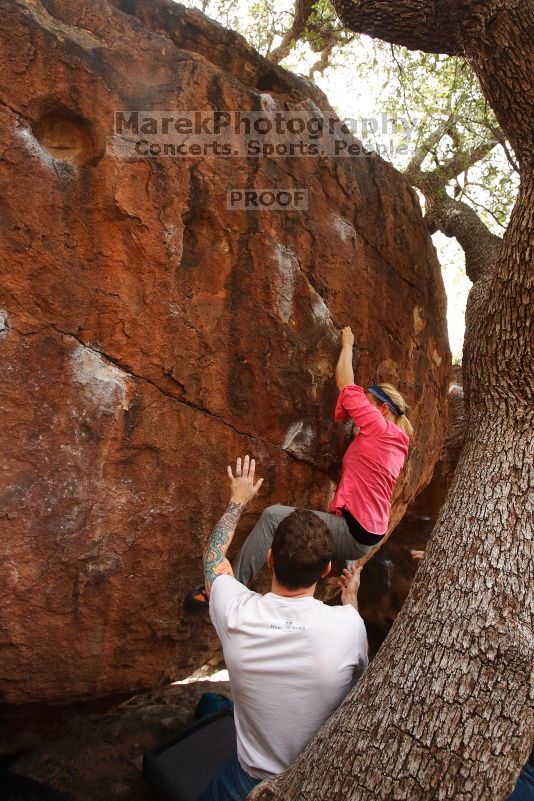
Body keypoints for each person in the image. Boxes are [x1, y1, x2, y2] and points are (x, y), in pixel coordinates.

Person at [187, 325, 413, 607]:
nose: (361, 411)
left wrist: (347, 345)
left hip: (355, 531)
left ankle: (227, 590)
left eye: (368, 403)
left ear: (382, 410)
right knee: (337, 546)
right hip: (368, 528)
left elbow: (346, 384)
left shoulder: (380, 428)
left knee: (272, 516)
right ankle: (345, 559)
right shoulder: (396, 441)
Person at [198, 455, 368, 801]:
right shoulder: (348, 626)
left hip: (248, 780)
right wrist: (350, 598)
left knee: (210, 705)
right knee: (211, 705)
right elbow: (359, 683)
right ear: (327, 570)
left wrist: (237, 501)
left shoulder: (236, 612)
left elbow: (213, 558)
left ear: (270, 557)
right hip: (315, 783)